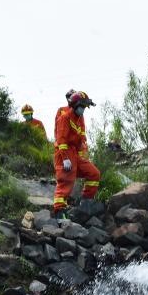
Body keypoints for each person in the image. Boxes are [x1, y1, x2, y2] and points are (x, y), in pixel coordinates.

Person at [52, 90, 101, 219]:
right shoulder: (64, 117)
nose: (83, 109)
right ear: (74, 105)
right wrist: (65, 159)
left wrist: (84, 154)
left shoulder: (80, 119)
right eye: (82, 106)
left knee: (94, 173)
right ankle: (59, 212)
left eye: (85, 107)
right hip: (64, 153)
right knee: (66, 180)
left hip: (76, 153)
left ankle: (86, 202)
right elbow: (61, 140)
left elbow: (82, 138)